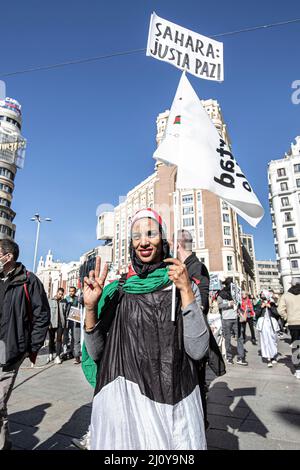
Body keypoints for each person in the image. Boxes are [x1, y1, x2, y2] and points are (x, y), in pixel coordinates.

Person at [82, 208, 209, 450]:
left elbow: (198, 349)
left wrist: (187, 293)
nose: (143, 242)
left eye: (150, 234)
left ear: (163, 240)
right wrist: (91, 308)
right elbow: (97, 354)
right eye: (136, 236)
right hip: (124, 411)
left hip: (174, 406)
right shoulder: (117, 291)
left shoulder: (181, 285)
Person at [0, 239, 50, 450]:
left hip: (11, 351)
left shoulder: (29, 281)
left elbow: (42, 315)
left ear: (8, 256)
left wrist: (31, 347)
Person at [176, 229, 225, 430]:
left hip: (193, 338)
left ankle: (199, 426)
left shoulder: (197, 268)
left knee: (195, 386)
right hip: (180, 339)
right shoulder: (182, 266)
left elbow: (200, 303)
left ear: (178, 245)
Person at [217, 277, 248, 366]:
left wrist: (238, 302)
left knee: (240, 337)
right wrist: (228, 304)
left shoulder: (236, 293)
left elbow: (240, 303)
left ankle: (240, 357)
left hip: (236, 318)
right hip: (226, 319)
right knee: (227, 338)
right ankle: (229, 357)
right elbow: (219, 306)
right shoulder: (221, 294)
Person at [278, 278, 300, 379]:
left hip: (293, 323)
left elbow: (280, 309)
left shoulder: (286, 295)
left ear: (292, 284)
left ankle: (298, 369)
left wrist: (287, 317)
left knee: (296, 345)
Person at [256, 291, 280, 368]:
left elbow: (277, 314)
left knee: (273, 340)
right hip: (263, 325)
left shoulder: (272, 303)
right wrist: (261, 307)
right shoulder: (259, 303)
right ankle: (268, 358)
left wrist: (270, 307)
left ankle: (273, 355)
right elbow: (256, 314)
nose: (262, 296)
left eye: (263, 294)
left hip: (272, 324)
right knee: (265, 340)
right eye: (262, 295)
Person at [47, 288, 68, 364]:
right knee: (51, 339)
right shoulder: (50, 301)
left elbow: (66, 313)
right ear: (56, 293)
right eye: (59, 294)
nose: (61, 295)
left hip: (61, 323)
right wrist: (48, 323)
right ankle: (50, 353)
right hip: (52, 323)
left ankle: (57, 356)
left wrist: (65, 324)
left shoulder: (64, 302)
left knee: (59, 340)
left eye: (62, 294)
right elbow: (47, 313)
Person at [66, 287, 81, 364]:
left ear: (75, 292)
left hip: (75, 320)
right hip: (68, 321)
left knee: (76, 338)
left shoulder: (77, 299)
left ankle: (77, 356)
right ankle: (71, 352)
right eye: (70, 291)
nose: (71, 292)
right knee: (69, 338)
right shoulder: (67, 298)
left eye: (73, 291)